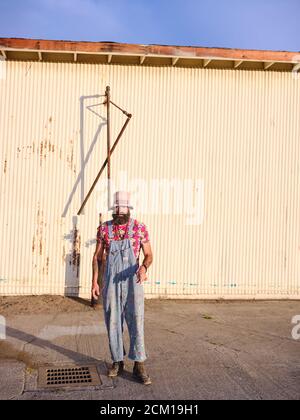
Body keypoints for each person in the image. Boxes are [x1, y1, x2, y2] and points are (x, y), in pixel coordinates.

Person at [92, 191, 153, 385]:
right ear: (113, 209)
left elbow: (149, 254)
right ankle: (117, 360)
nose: (120, 214)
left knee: (136, 319)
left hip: (133, 280)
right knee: (113, 320)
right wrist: (95, 282)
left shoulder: (140, 228)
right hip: (110, 281)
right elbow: (97, 257)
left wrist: (144, 267)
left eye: (123, 211)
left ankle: (139, 363)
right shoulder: (104, 229)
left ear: (128, 210)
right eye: (117, 211)